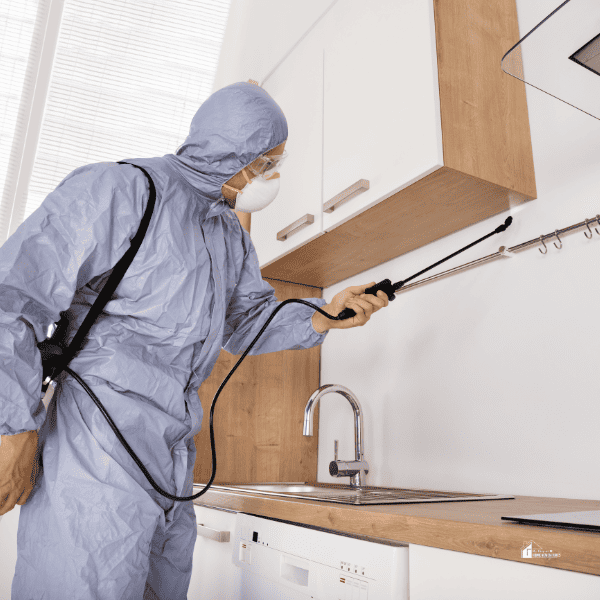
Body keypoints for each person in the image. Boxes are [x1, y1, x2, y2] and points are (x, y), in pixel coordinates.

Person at [0, 81, 389, 600]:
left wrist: (324, 317)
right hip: (93, 447)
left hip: (173, 459)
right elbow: (13, 300)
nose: (270, 176)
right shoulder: (120, 190)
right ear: (231, 153)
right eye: (265, 163)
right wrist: (14, 429)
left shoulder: (228, 233)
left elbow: (246, 323)